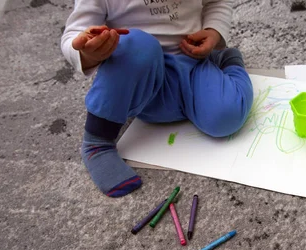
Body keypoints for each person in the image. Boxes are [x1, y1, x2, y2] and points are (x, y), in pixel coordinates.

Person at [61, 0, 253, 197]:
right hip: (137, 77)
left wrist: (214, 32)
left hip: (193, 64)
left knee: (227, 117)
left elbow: (217, 2)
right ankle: (97, 141)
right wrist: (87, 52)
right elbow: (72, 37)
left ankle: (228, 60)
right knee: (138, 44)